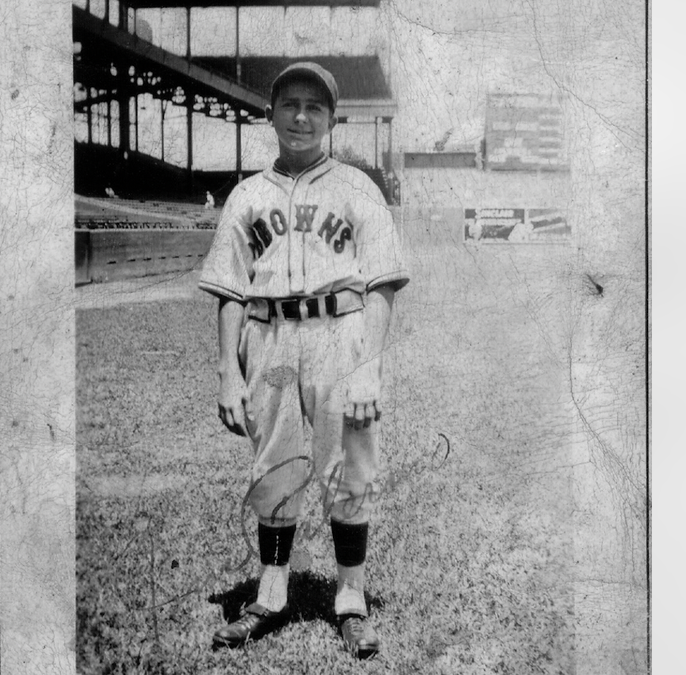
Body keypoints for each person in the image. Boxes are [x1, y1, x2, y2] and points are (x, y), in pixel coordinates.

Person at [197, 62, 408, 659]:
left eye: (314, 107)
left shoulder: (358, 188)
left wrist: (369, 365)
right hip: (268, 341)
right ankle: (271, 593)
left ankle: (350, 597)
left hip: (339, 336)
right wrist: (228, 371)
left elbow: (382, 286)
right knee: (274, 468)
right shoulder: (247, 195)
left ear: (332, 120)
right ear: (271, 114)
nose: (300, 116)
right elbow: (231, 292)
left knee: (349, 468)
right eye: (289, 104)